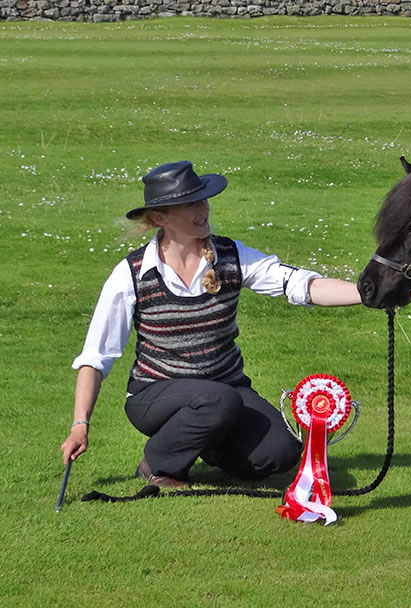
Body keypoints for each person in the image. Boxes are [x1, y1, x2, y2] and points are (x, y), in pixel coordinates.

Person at [60, 160, 364, 488]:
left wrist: (369, 293)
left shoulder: (232, 255)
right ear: (160, 218)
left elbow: (303, 286)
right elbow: (96, 357)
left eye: (203, 200)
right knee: (217, 399)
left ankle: (203, 443)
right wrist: (80, 424)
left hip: (226, 388)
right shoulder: (131, 274)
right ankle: (157, 463)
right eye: (190, 204)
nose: (203, 209)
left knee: (282, 451)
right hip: (154, 395)